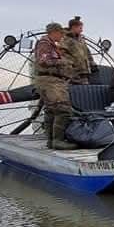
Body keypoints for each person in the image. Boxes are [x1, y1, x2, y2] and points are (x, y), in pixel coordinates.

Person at [35, 22, 77, 150]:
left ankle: (50, 140)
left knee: (51, 110)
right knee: (63, 110)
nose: (62, 36)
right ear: (54, 32)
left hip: (48, 80)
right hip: (51, 81)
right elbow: (43, 61)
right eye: (60, 33)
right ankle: (58, 140)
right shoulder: (44, 44)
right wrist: (63, 61)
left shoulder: (50, 44)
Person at [61, 16, 97, 85]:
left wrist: (92, 63)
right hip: (72, 73)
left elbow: (87, 53)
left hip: (84, 72)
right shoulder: (65, 39)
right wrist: (71, 65)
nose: (81, 30)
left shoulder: (81, 40)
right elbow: (62, 54)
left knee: (84, 90)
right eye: (80, 28)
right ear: (74, 27)